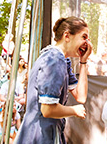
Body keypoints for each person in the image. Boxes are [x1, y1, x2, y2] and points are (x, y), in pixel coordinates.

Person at [16, 16, 93, 144]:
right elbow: (47, 109)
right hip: (39, 135)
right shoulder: (54, 59)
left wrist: (83, 62)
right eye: (84, 37)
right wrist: (74, 110)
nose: (87, 43)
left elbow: (81, 97)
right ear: (67, 36)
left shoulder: (62, 60)